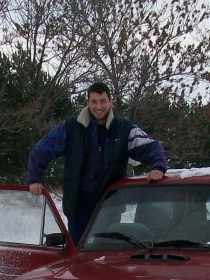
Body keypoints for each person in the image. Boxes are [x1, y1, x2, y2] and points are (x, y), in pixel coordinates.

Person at [26, 82, 169, 243]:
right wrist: (34, 178)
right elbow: (42, 149)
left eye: (102, 101)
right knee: (79, 251)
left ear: (110, 101)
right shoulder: (72, 128)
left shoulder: (124, 129)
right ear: (88, 102)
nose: (98, 106)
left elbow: (151, 146)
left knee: (104, 249)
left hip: (110, 205)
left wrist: (158, 166)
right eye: (94, 101)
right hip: (78, 206)